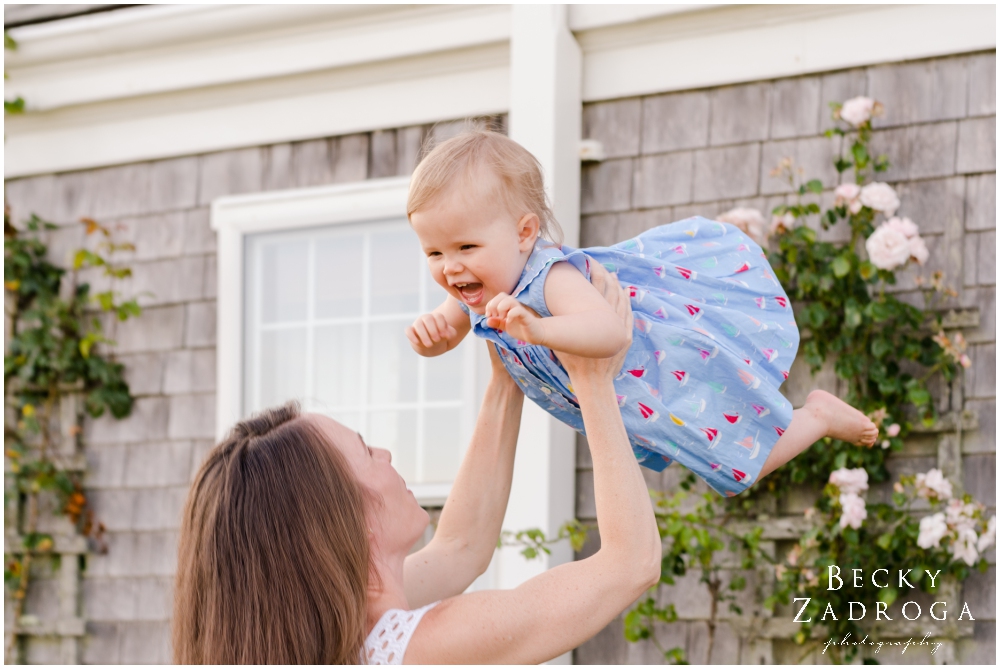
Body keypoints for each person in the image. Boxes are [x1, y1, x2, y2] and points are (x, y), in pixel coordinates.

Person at [173, 265, 662, 664]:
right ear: (342, 520)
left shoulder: (347, 632)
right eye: (365, 452)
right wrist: (592, 379)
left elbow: (461, 548)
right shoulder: (426, 647)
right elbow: (630, 564)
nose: (385, 453)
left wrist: (506, 377)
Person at [405, 129, 879, 497]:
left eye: (466, 246)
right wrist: (434, 338)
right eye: (434, 254)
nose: (451, 268)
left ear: (525, 233)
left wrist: (539, 328)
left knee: (740, 467)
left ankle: (816, 416)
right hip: (635, 404)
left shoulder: (551, 278)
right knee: (726, 463)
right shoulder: (477, 285)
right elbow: (451, 326)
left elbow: (608, 332)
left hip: (667, 372)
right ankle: (809, 418)